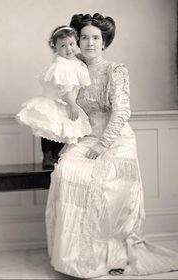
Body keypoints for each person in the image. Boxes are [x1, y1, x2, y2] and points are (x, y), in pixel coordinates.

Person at [45, 13, 178, 279]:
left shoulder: (115, 70)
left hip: (115, 139)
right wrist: (70, 138)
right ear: (77, 40)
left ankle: (111, 257)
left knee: (101, 182)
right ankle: (74, 260)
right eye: (84, 37)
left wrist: (104, 144)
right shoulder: (72, 66)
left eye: (96, 38)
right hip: (86, 137)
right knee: (66, 171)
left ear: (104, 42)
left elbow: (121, 112)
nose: (90, 43)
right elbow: (63, 103)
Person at [16, 25, 92, 153]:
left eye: (72, 44)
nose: (69, 48)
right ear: (55, 47)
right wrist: (73, 105)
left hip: (65, 103)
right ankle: (48, 156)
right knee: (50, 129)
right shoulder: (61, 65)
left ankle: (54, 156)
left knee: (61, 132)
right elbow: (65, 89)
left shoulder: (73, 62)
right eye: (63, 46)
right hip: (58, 101)